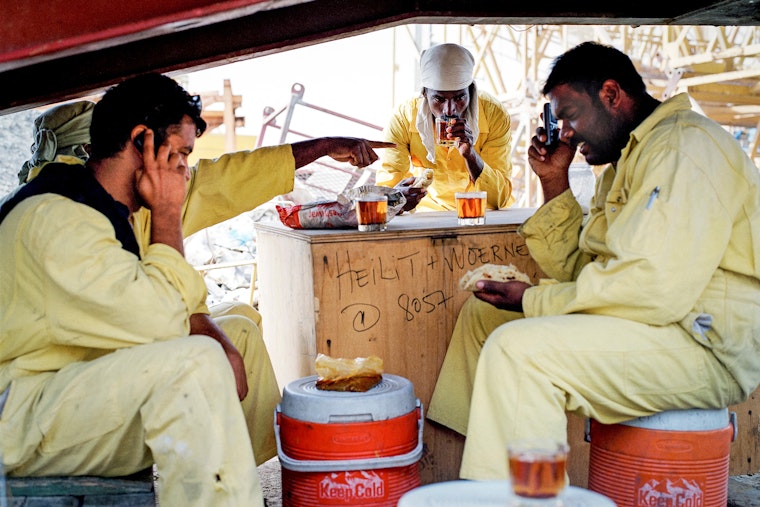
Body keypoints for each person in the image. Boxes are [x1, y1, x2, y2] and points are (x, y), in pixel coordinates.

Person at [0, 73, 388, 506]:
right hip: (22, 418)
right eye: (182, 155)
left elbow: (229, 178)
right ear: (142, 143)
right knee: (197, 364)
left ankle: (239, 489)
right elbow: (163, 324)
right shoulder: (60, 219)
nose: (186, 170)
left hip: (68, 394)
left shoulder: (102, 204)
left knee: (227, 337)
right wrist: (167, 212)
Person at [430, 41, 760, 480]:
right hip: (653, 323)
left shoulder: (683, 148)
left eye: (569, 116)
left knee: (519, 352)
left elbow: (651, 288)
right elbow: (584, 273)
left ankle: (525, 494)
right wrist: (553, 181)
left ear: (610, 94)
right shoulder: (629, 161)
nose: (565, 132)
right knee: (484, 318)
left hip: (702, 345)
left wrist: (533, 300)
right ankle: (492, 473)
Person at [376, 43, 514, 212]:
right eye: (439, 100)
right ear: (425, 94)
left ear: (471, 91)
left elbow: (499, 199)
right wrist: (398, 199)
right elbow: (386, 193)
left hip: (479, 212)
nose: (450, 110)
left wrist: (471, 155)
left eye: (459, 98)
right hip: (426, 215)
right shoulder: (403, 117)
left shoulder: (494, 114)